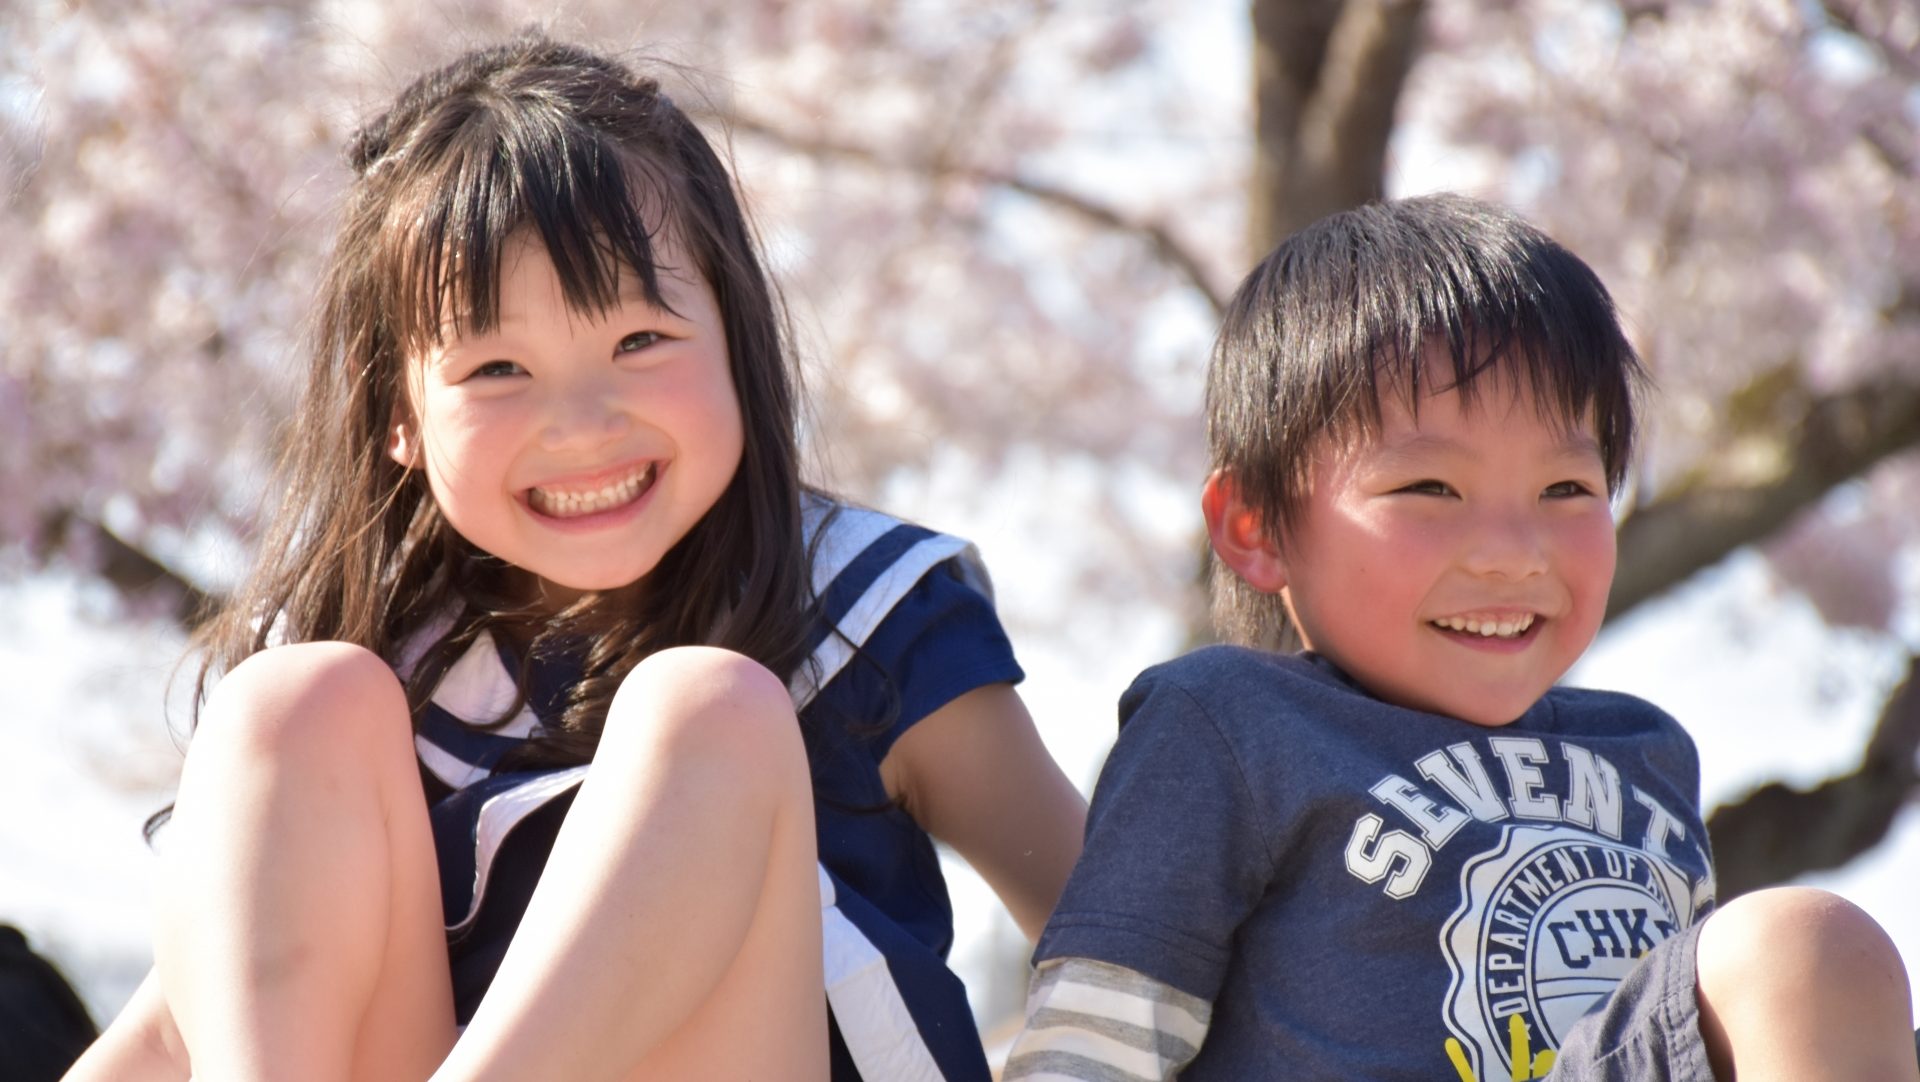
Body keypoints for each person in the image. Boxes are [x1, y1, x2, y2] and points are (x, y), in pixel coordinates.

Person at [62, 33, 1086, 1082]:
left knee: (709, 712)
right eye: (498, 367)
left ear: (737, 333)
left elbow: (1117, 935)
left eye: (640, 341)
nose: (583, 423)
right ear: (397, 416)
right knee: (293, 700)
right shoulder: (382, 667)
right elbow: (178, 1020)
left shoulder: (863, 613)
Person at [1002, 194, 1920, 1082]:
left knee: (1804, 959)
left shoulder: (1643, 754)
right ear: (1256, 527)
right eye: (1430, 491)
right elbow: (1094, 1049)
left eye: (1567, 490)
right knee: (1801, 943)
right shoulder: (1230, 726)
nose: (1512, 555)